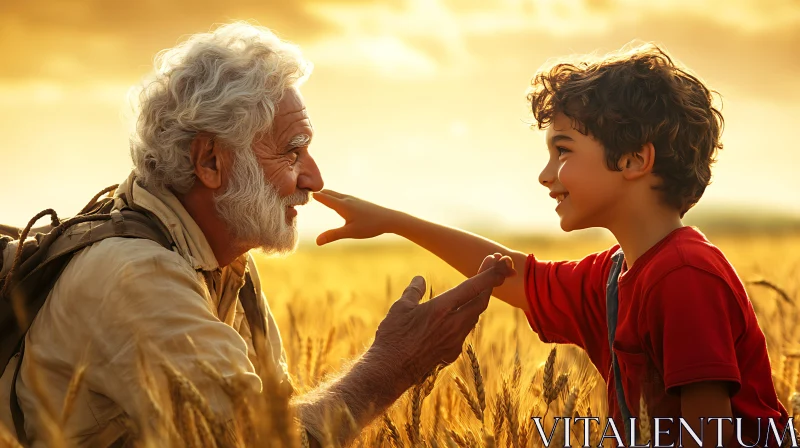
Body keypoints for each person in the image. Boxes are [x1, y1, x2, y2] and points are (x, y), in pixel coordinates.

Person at [0, 22, 515, 448]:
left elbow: (280, 418)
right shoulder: (136, 275)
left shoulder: (225, 265)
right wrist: (391, 366)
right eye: (291, 152)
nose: (312, 178)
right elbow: (261, 442)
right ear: (210, 161)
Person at [313, 43, 790, 447]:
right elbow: (510, 274)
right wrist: (394, 222)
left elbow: (707, 434)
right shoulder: (614, 277)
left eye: (562, 151)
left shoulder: (685, 276)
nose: (545, 176)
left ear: (633, 159)